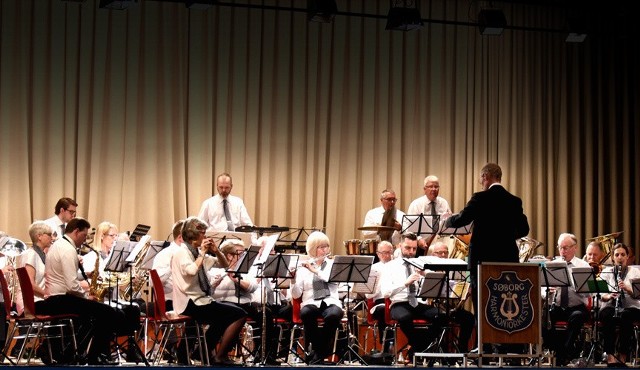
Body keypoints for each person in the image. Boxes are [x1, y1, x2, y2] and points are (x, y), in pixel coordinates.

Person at [445, 163, 530, 314]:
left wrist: (448, 220)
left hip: (482, 260)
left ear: (485, 176)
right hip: (507, 260)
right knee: (502, 301)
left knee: (483, 305)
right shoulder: (514, 201)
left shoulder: (480, 198)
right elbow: (524, 229)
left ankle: (482, 338)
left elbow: (462, 220)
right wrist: (506, 236)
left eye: (481, 179)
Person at [41, 217, 127, 365]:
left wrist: (86, 280)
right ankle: (95, 356)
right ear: (76, 231)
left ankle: (76, 352)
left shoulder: (59, 245)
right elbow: (71, 286)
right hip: (61, 299)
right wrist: (86, 297)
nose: (85, 239)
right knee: (109, 312)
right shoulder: (67, 249)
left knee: (94, 315)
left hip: (57, 298)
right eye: (84, 235)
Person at [170, 216, 247, 365]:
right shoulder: (182, 253)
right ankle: (219, 356)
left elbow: (225, 264)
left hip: (200, 299)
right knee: (239, 314)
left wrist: (216, 250)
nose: (205, 236)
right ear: (193, 234)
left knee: (227, 315)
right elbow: (191, 271)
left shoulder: (195, 251)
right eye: (203, 233)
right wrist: (203, 253)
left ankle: (202, 353)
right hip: (190, 301)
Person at [381, 233, 445, 361]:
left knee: (442, 316)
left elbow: (434, 286)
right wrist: (405, 283)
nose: (411, 252)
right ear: (399, 246)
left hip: (417, 303)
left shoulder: (419, 264)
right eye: (407, 248)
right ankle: (420, 347)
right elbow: (385, 293)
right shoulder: (390, 266)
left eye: (414, 249)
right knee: (405, 317)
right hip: (399, 303)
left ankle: (416, 348)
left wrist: (426, 276)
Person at [291, 231, 343, 365]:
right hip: (311, 301)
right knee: (306, 313)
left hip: (330, 301)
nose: (325, 249)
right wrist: (292, 279)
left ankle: (316, 352)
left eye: (326, 246)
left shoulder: (333, 265)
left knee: (334, 315)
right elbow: (296, 295)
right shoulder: (303, 268)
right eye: (321, 247)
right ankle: (320, 352)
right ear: (313, 249)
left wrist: (315, 271)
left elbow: (333, 281)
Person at [543, 233, 590, 366]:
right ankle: (558, 351)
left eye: (566, 248)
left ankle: (564, 353)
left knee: (577, 317)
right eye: (560, 248)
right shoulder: (552, 265)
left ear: (575, 248)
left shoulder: (583, 265)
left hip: (577, 307)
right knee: (544, 318)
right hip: (557, 306)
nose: (562, 251)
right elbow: (542, 288)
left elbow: (590, 293)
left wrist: (575, 285)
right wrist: (547, 291)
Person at [599, 243, 640, 367]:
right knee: (606, 315)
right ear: (612, 257)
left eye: (623, 254)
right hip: (611, 305)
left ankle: (622, 356)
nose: (620, 257)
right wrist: (608, 296)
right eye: (617, 255)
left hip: (630, 307)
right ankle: (610, 356)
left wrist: (628, 289)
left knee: (626, 316)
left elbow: (638, 295)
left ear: (627, 257)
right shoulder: (606, 272)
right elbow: (600, 293)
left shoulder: (635, 272)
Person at [406, 176, 452, 255]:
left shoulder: (444, 203)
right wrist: (418, 239)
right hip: (422, 246)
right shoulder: (416, 204)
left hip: (440, 248)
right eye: (431, 186)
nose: (434, 189)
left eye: (436, 187)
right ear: (424, 189)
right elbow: (409, 228)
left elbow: (447, 225)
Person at [364, 240, 394, 353]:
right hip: (379, 302)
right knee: (383, 309)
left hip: (395, 300)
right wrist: (379, 283)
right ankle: (386, 346)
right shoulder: (373, 268)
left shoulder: (397, 266)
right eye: (383, 253)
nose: (386, 255)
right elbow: (368, 294)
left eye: (388, 252)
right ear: (378, 254)